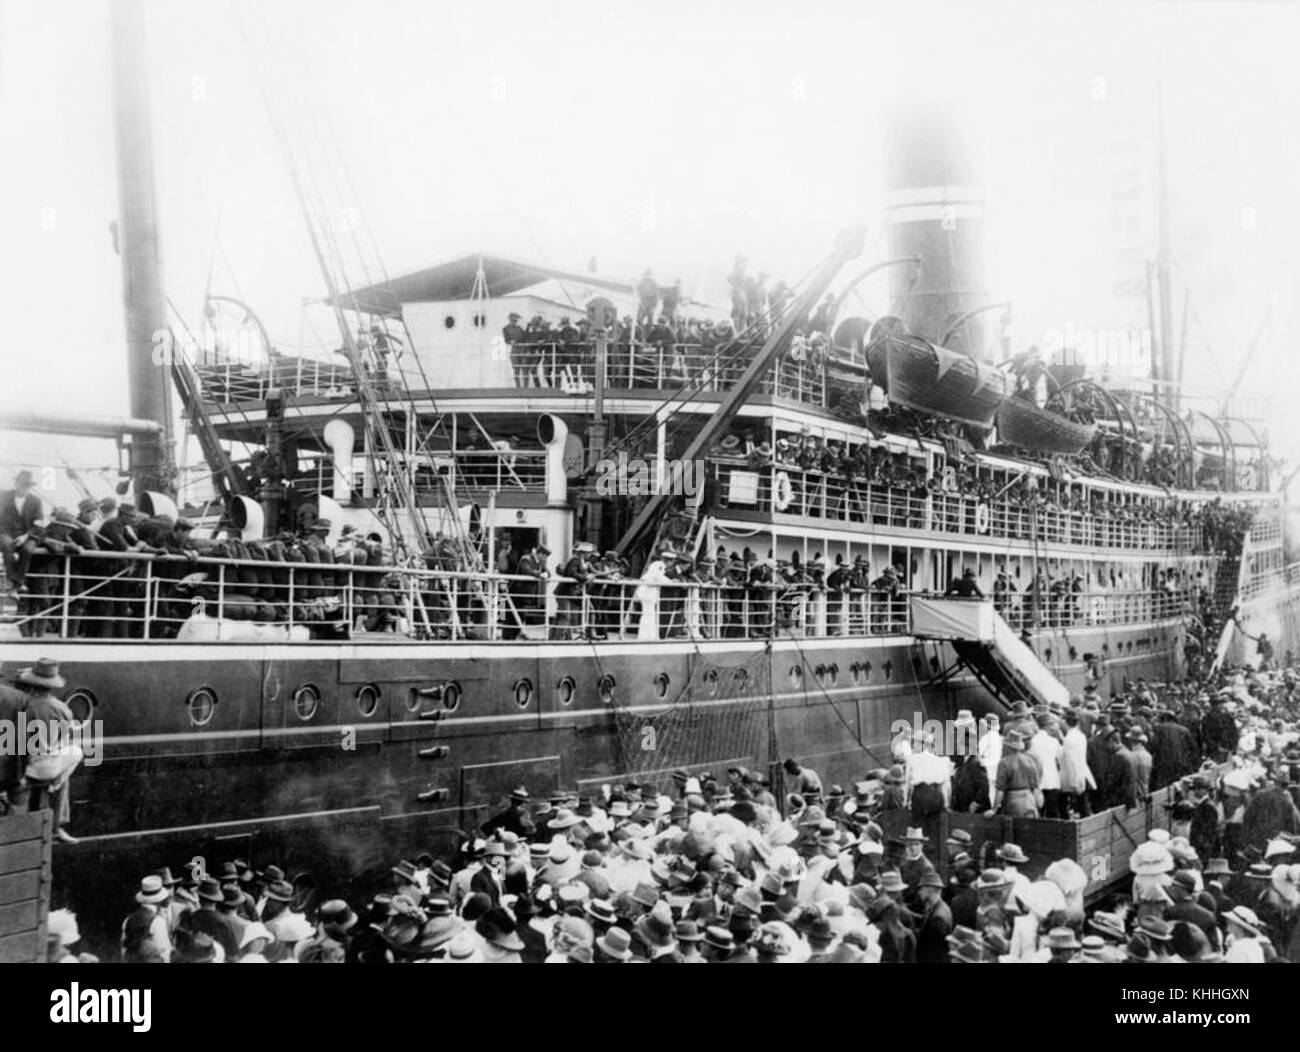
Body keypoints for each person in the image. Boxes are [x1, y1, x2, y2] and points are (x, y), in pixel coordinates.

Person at [14, 659, 82, 842]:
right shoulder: (62, 709)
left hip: (26, 769)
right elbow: (64, 740)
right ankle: (57, 825)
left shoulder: (22, 707)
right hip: (49, 768)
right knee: (75, 751)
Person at [0, 469, 43, 592]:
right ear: (16, 483)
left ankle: (17, 582)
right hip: (6, 532)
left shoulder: (36, 501)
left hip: (29, 534)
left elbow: (39, 524)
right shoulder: (4, 496)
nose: (24, 488)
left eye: (28, 485)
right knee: (7, 544)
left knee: (27, 550)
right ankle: (12, 578)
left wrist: (25, 536)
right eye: (22, 484)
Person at [993, 731, 1040, 817]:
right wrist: (1035, 803)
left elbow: (1000, 790)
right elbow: (1036, 787)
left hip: (1013, 801)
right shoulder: (1029, 760)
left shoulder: (1004, 762)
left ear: (1007, 747)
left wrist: (994, 809)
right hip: (1030, 799)